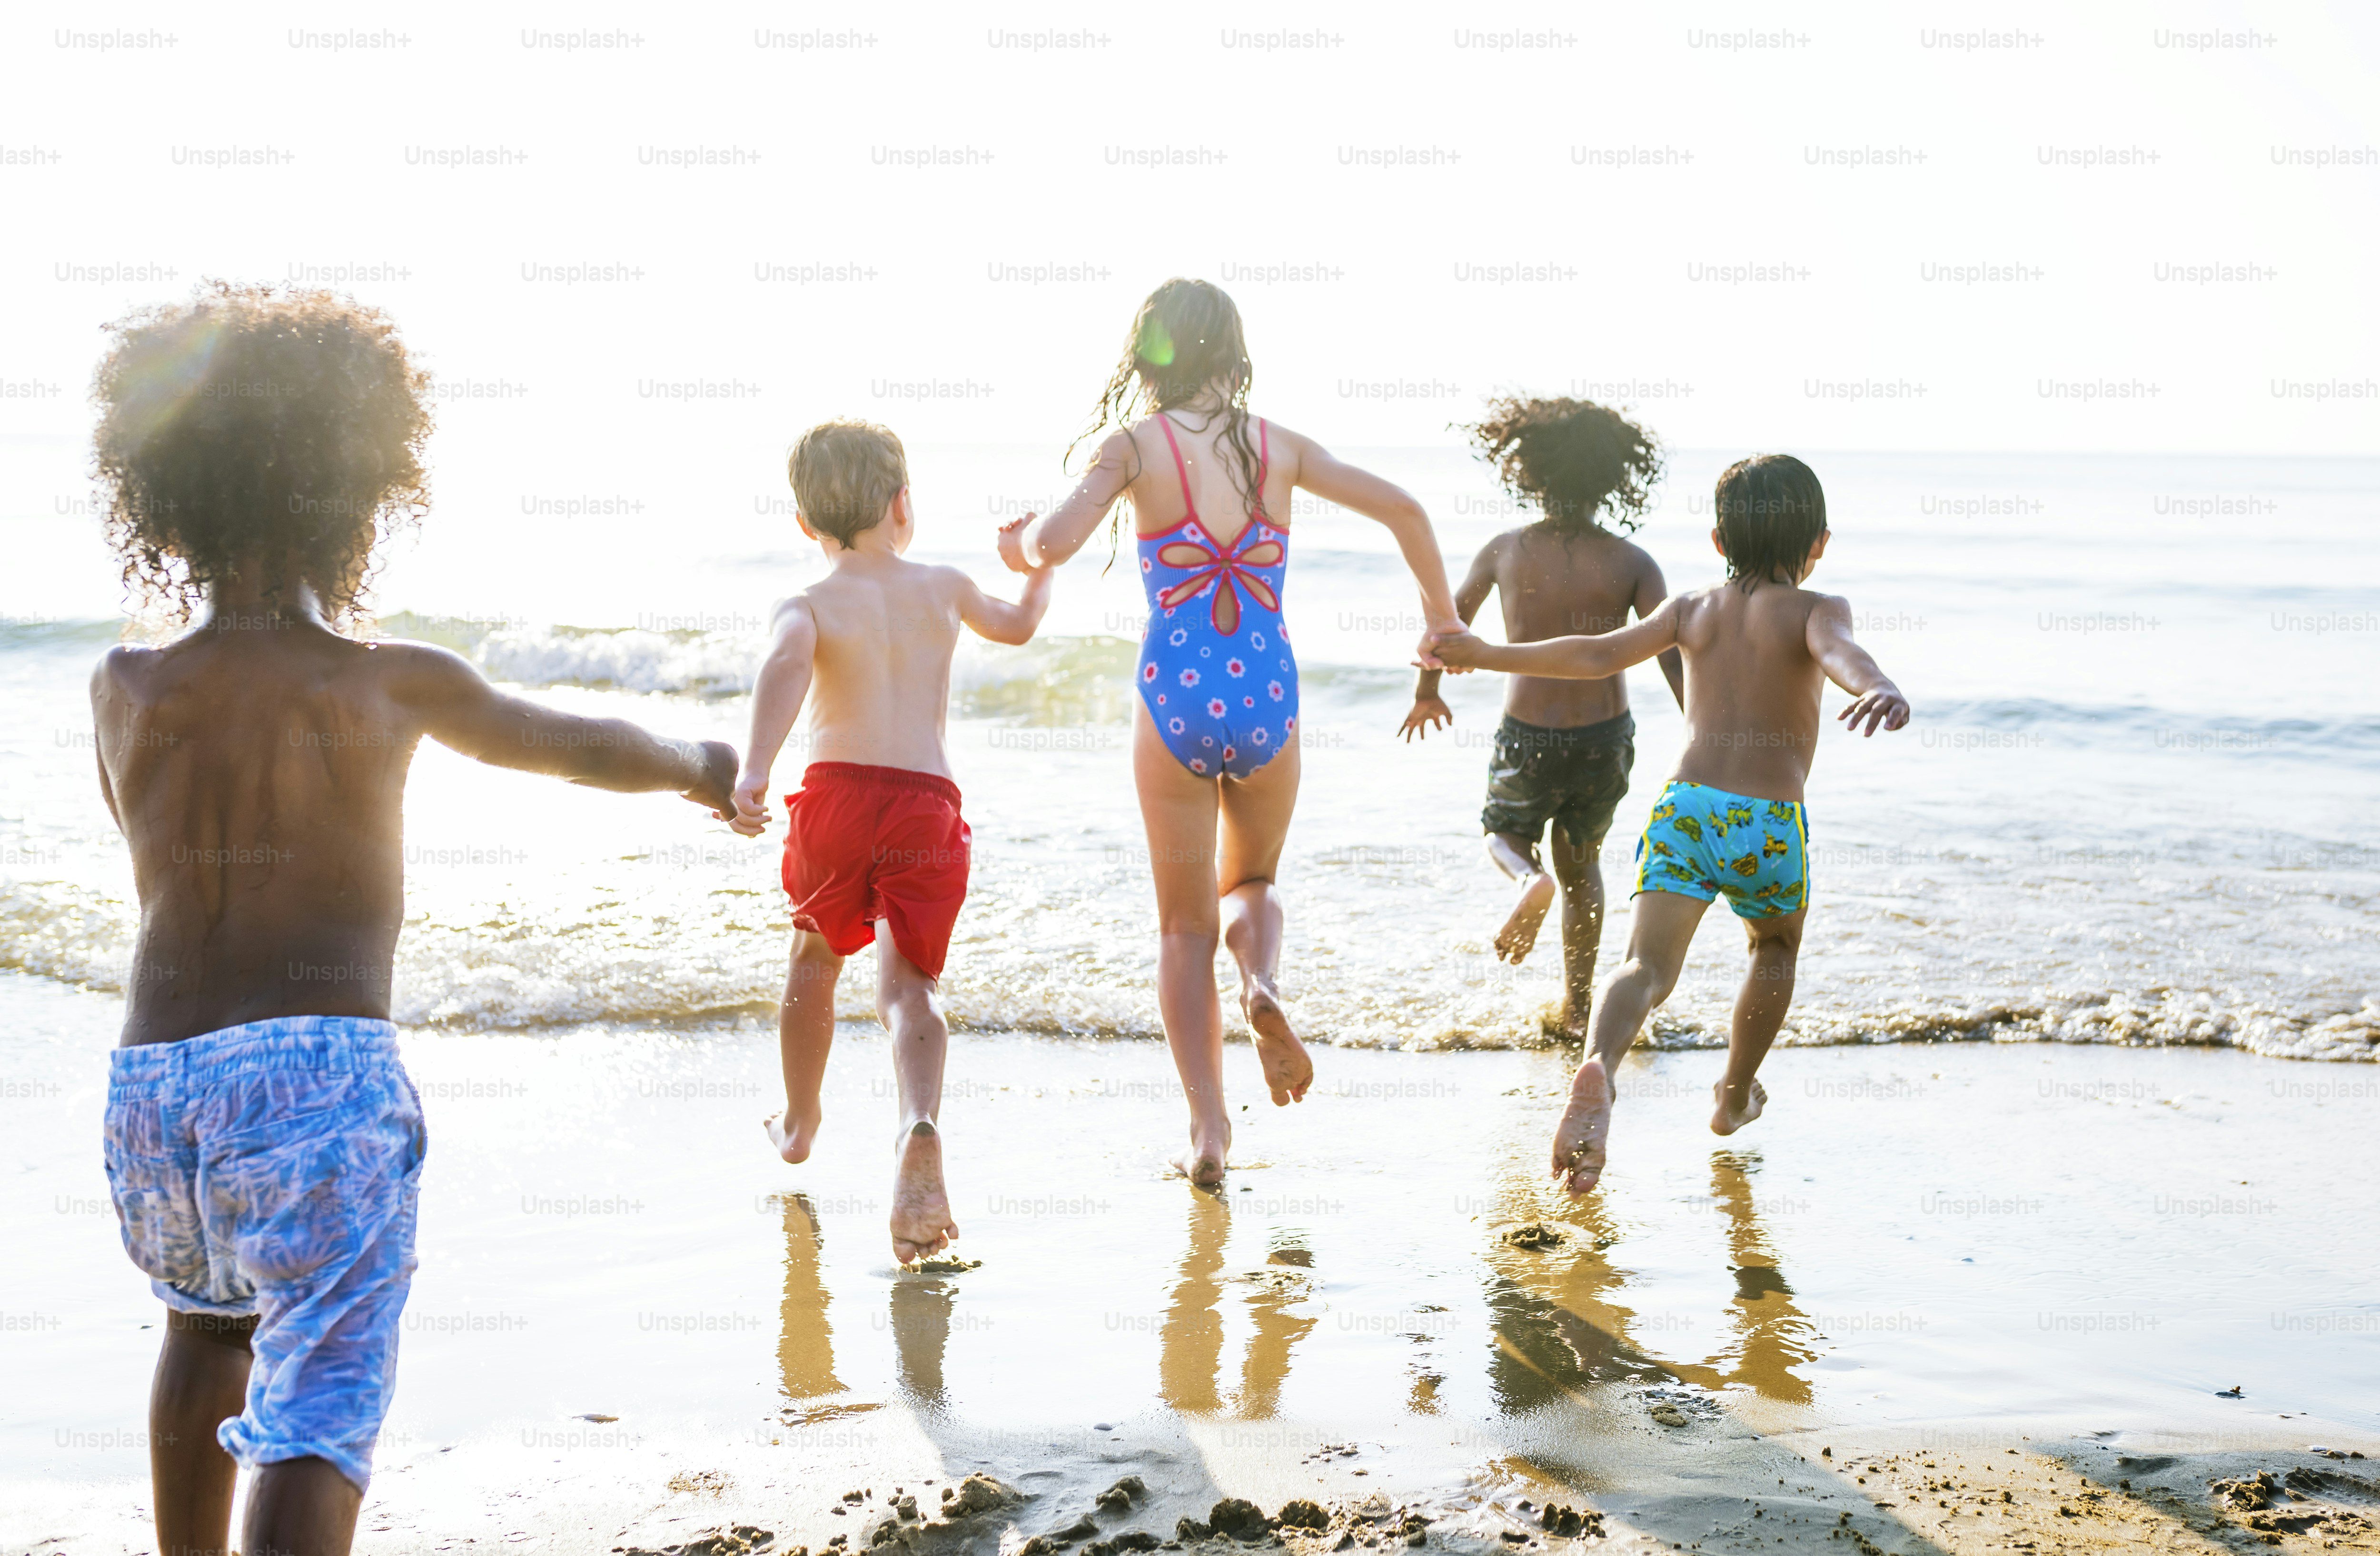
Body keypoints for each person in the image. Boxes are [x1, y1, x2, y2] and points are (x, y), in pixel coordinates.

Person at [85, 283, 737, 1556]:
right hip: (315, 1077)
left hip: (149, 1090)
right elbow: (576, 744)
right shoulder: (386, 679)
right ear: (359, 491)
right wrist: (702, 760)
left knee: (201, 1327)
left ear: (167, 493)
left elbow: (152, 853)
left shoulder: (125, 684)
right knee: (317, 1407)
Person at [999, 278, 1464, 1185]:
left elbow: (1054, 543)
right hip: (1268, 700)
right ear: (1235, 351)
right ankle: (1263, 987)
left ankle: (1209, 1131)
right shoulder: (1278, 446)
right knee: (1251, 878)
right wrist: (1439, 625)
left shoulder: (1133, 447)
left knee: (1182, 929)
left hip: (1174, 694)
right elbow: (1407, 509)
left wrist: (1016, 550)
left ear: (1151, 353)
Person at [1428, 454, 1909, 1194]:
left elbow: (1594, 654)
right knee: (1774, 945)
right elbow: (1842, 655)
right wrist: (1876, 684)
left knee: (1645, 969)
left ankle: (1601, 1068)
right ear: (1819, 545)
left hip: (1685, 807)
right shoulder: (1818, 609)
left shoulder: (1690, 607)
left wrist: (1488, 652)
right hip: (1768, 821)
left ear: (1719, 542)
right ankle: (1733, 1094)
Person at [732, 419, 1053, 1263]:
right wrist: (1038, 564)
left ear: (807, 525)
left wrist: (755, 772)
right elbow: (1020, 625)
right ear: (904, 506)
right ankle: (919, 1121)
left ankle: (799, 1126)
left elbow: (786, 667)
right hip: (926, 801)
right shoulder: (945, 585)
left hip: (836, 797)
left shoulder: (806, 602)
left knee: (814, 960)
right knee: (910, 986)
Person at [1399, 397, 1685, 1035]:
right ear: (1617, 477)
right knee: (1583, 868)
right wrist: (1702, 723)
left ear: (1527, 470)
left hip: (1527, 739)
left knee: (1502, 832)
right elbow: (1672, 652)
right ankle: (1578, 1007)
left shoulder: (1506, 549)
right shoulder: (1633, 562)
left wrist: (1427, 691)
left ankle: (1528, 878)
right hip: (1604, 743)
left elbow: (1448, 628)